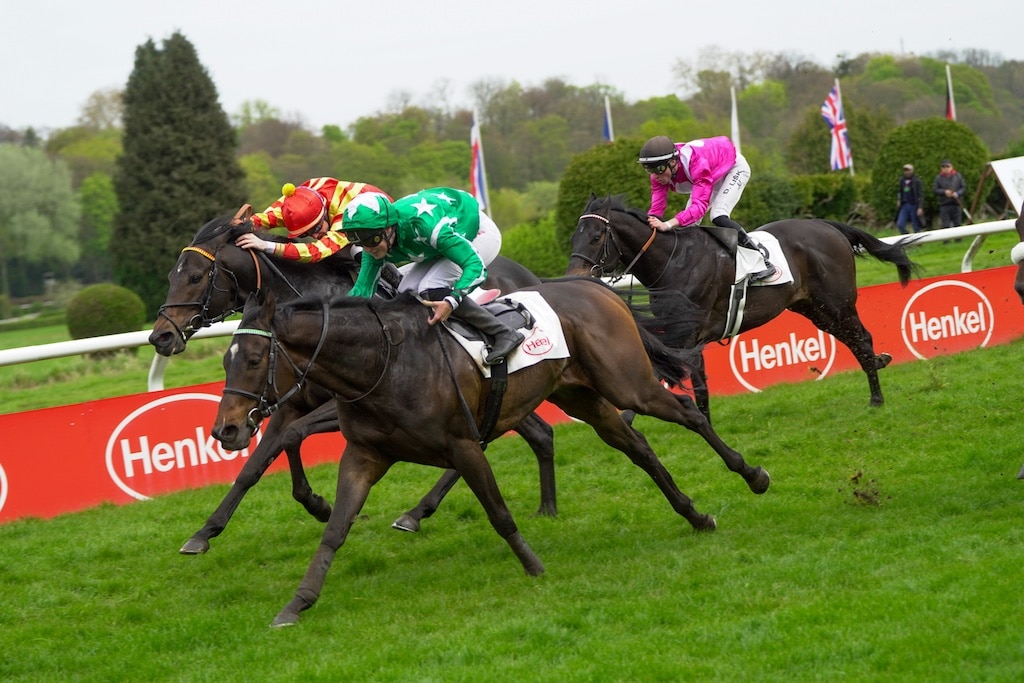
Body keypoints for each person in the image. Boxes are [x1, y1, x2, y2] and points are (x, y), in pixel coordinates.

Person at [340, 187, 524, 365]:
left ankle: (504, 332)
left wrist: (452, 300)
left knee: (430, 286)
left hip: (475, 232)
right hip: (436, 243)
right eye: (360, 242)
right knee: (406, 290)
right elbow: (362, 291)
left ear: (388, 229)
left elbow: (475, 267)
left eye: (371, 240)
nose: (367, 249)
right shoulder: (373, 244)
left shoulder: (427, 228)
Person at [637, 134, 774, 282]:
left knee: (718, 215)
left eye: (659, 169)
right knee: (688, 226)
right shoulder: (658, 174)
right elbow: (657, 209)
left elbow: (699, 208)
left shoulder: (696, 163)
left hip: (733, 168)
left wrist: (668, 224)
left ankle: (762, 262)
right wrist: (647, 227)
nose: (655, 175)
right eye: (650, 170)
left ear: (673, 162)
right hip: (711, 174)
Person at [235, 178, 392, 262]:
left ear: (324, 213)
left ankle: (393, 283)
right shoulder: (295, 201)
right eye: (306, 234)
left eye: (316, 228)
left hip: (381, 224)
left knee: (357, 249)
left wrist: (265, 245)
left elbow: (316, 252)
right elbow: (263, 219)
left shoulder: (345, 214)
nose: (315, 236)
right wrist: (237, 227)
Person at [932, 159, 967, 229]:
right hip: (944, 205)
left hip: (956, 204)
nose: (946, 169)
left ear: (951, 167)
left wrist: (957, 193)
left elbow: (963, 187)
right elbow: (935, 189)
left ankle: (958, 236)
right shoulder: (938, 178)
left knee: (957, 225)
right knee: (945, 225)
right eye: (943, 167)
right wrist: (944, 192)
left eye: (947, 166)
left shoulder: (958, 176)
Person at [896, 163, 926, 234]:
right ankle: (906, 235)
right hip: (905, 205)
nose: (906, 172)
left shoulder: (917, 181)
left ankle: (918, 239)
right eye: (905, 170)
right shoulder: (902, 180)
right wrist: (899, 199)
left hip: (914, 205)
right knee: (900, 224)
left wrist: (920, 207)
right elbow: (900, 191)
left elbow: (920, 195)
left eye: (908, 170)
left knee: (916, 226)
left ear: (912, 171)